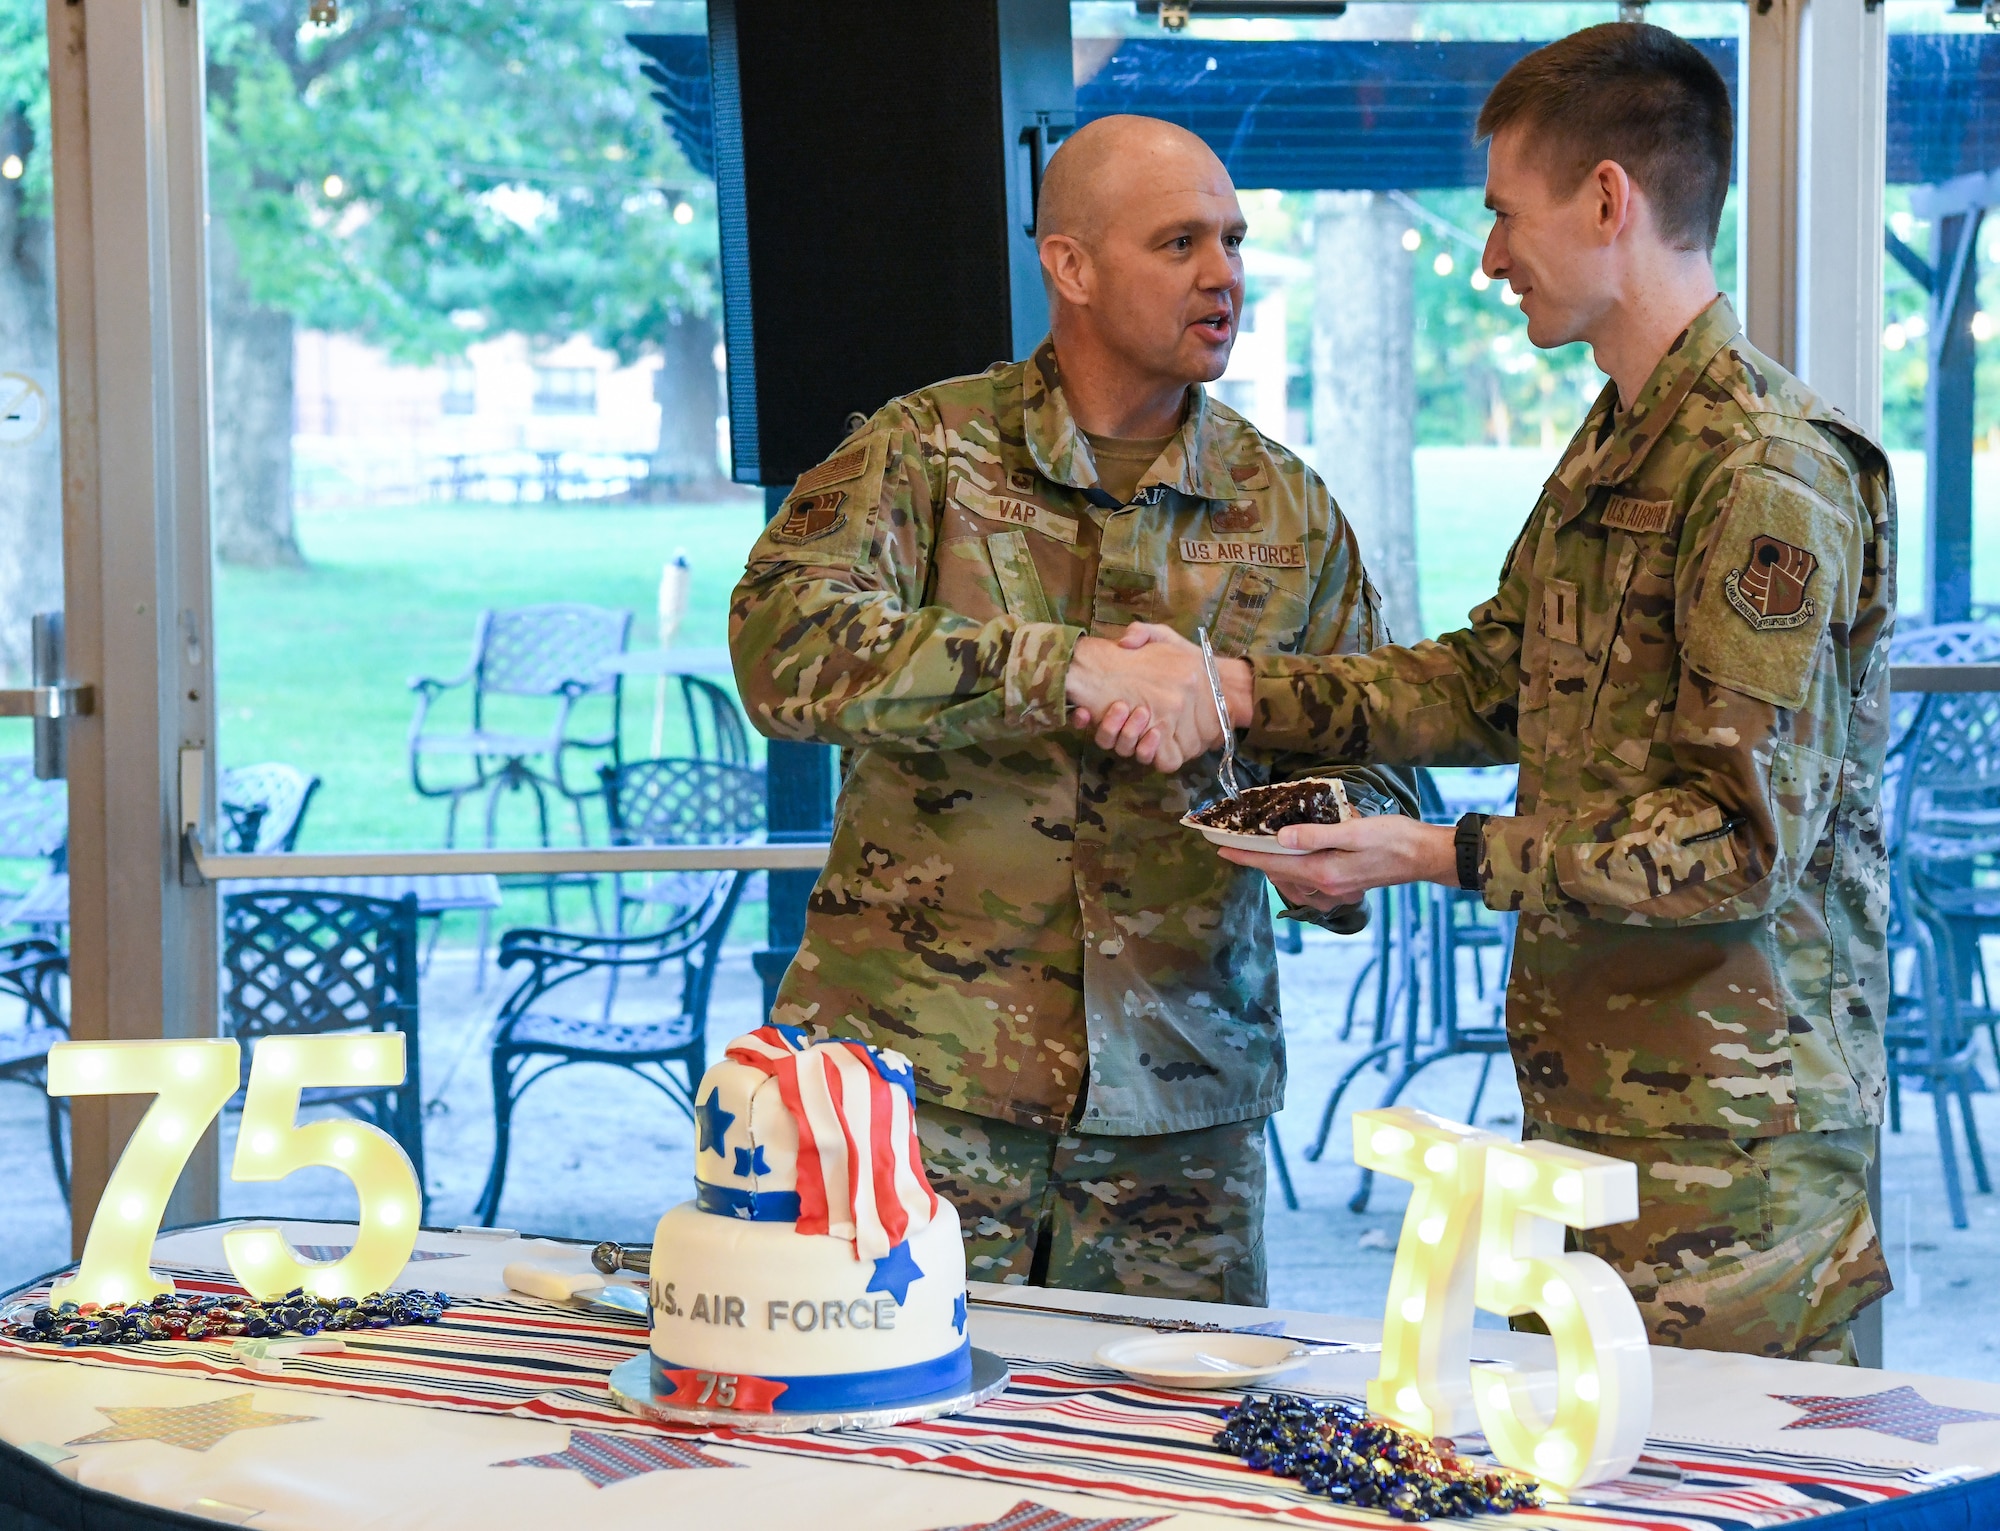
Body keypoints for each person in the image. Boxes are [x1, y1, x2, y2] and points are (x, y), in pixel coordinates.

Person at [1094, 26, 1894, 1360]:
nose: (1488, 258)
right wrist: (1234, 685)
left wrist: (1429, 850)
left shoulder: (1765, 470)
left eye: (1503, 216)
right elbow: (1488, 677)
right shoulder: (1622, 442)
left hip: (1737, 1169)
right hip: (1601, 1120)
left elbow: (1736, 845)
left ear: (1607, 201)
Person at [729, 114, 1411, 1305]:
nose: (1223, 274)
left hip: (1176, 1127)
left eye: (1235, 241)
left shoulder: (1289, 510)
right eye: (1180, 241)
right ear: (1071, 265)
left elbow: (1381, 762)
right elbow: (778, 650)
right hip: (915, 1101)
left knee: (1165, 1472)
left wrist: (1327, 846)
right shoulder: (924, 454)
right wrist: (1061, 668)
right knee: (890, 1460)